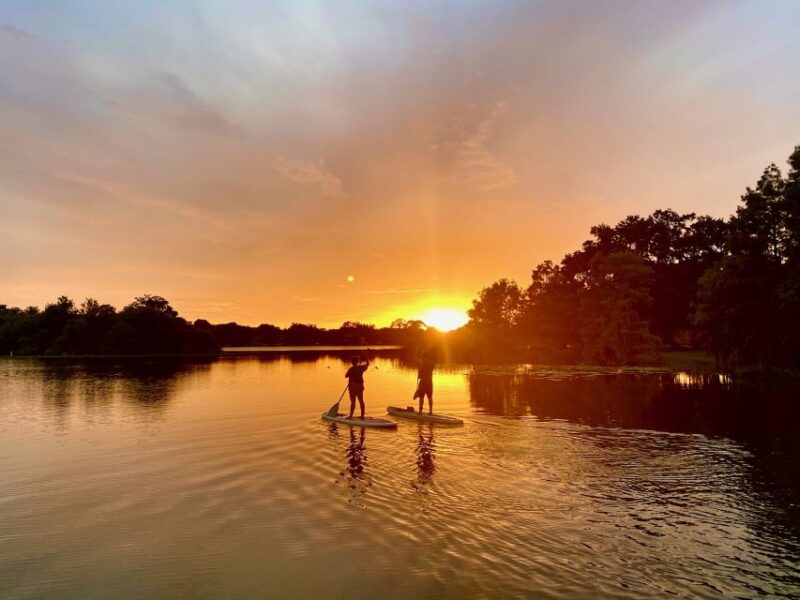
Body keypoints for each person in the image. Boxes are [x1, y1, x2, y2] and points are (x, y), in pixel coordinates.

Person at [345, 354, 370, 419]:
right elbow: (368, 364)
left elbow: (346, 376)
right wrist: (366, 357)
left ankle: (350, 416)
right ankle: (362, 415)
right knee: (361, 401)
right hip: (360, 386)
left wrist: (352, 375)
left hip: (353, 387)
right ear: (358, 362)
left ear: (352, 362)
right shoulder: (361, 368)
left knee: (353, 402)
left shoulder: (351, 369)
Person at [413, 349, 435, 414]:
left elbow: (415, 358)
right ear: (428, 356)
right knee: (430, 397)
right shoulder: (432, 363)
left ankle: (420, 412)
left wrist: (416, 351)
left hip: (423, 382)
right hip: (429, 381)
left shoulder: (421, 362)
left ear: (423, 356)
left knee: (421, 397)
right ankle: (430, 411)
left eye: (422, 356)